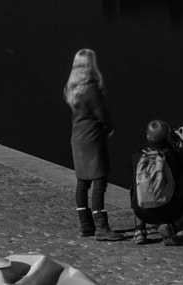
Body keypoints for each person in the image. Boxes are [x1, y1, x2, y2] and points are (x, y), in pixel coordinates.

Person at [65, 49, 120, 240]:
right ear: (91, 65)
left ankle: (85, 226)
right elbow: (101, 113)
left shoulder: (72, 89)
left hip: (78, 138)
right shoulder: (91, 89)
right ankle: (102, 228)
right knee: (99, 181)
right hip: (93, 139)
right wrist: (110, 128)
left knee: (82, 183)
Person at [131, 119, 183, 245]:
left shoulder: (137, 156)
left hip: (142, 211)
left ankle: (140, 231)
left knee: (138, 187)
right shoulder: (173, 156)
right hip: (169, 212)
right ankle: (170, 227)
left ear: (147, 136)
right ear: (167, 136)